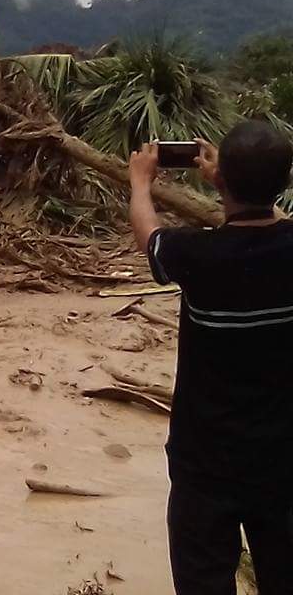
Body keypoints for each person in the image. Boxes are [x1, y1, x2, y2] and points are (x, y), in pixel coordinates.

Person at [129, 121, 293, 595]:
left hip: (204, 466)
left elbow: (149, 234)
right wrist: (231, 181)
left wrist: (141, 183)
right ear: (283, 183)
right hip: (282, 463)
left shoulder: (198, 255)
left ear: (222, 181)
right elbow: (273, 219)